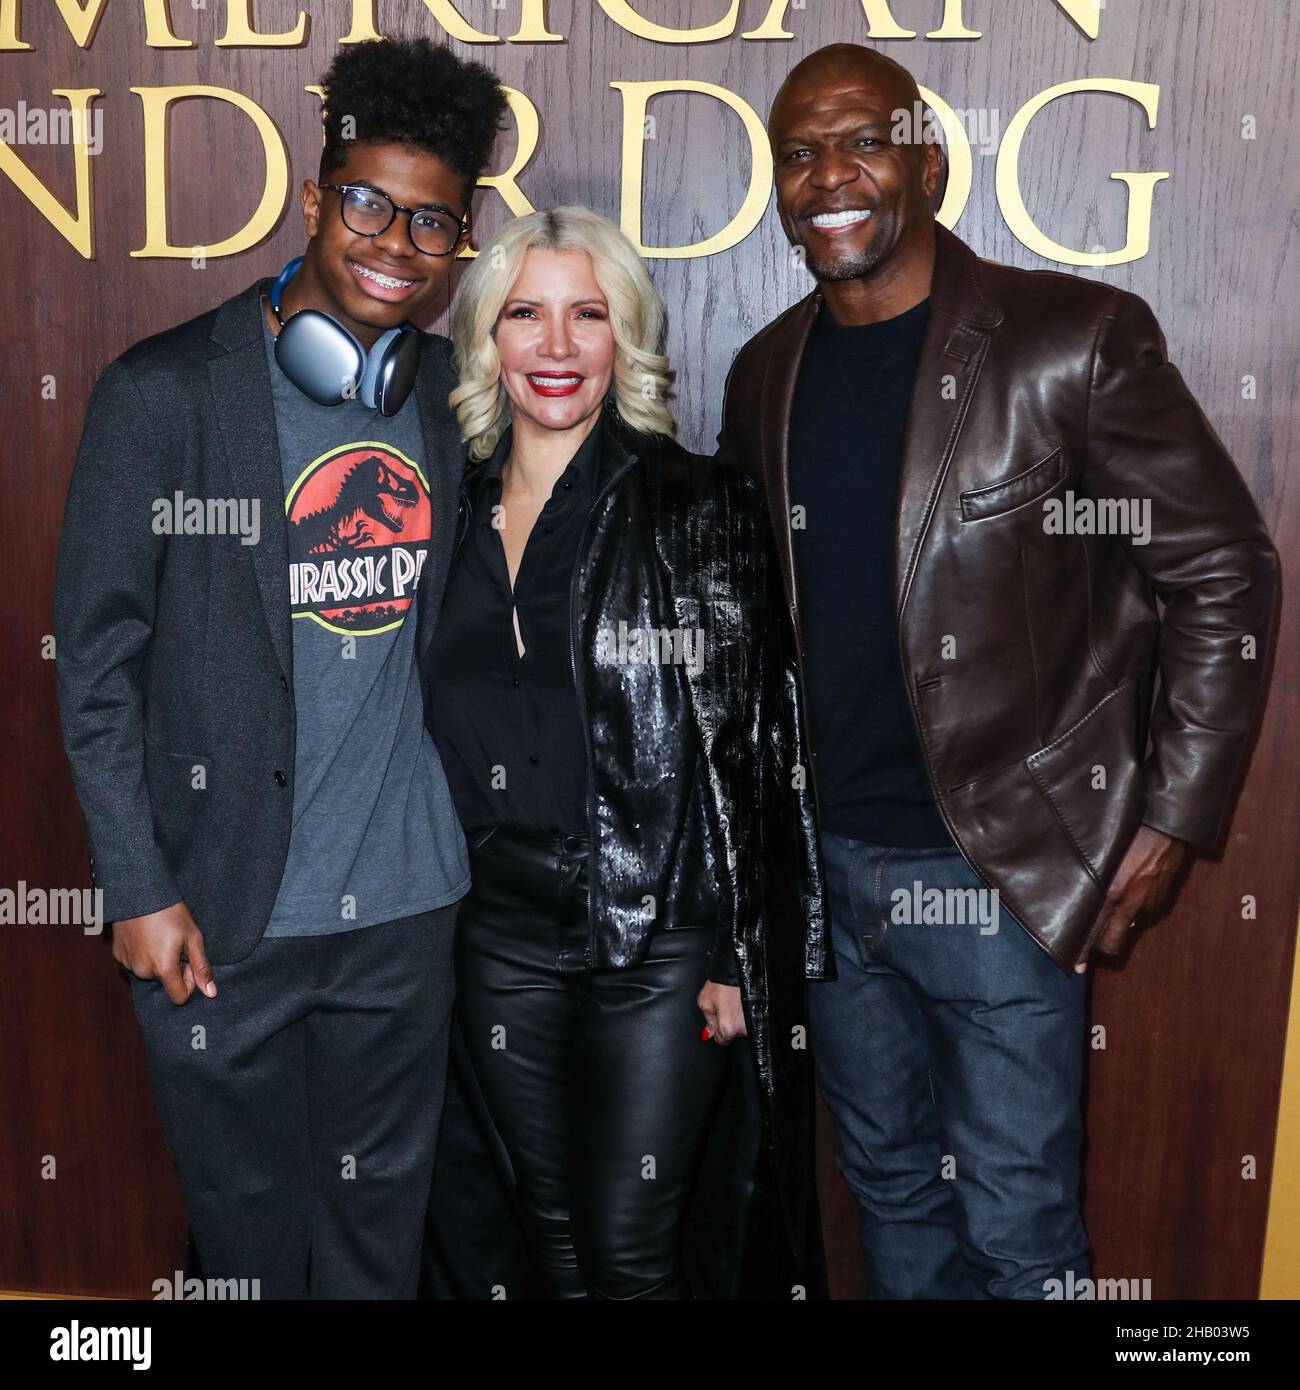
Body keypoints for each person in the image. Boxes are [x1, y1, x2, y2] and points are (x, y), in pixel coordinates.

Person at [719, 43, 1279, 1299]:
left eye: (862, 140)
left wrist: (1172, 817)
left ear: (927, 161)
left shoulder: (1069, 340)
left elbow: (1222, 570)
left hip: (1000, 874)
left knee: (1021, 1232)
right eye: (798, 153)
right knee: (890, 1195)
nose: (828, 175)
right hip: (826, 873)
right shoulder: (764, 375)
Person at [53, 37, 508, 1298]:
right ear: (313, 199)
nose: (395, 243)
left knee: (375, 1250)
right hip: (218, 916)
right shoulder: (162, 395)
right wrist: (136, 886)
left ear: (458, 242)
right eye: (367, 203)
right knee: (247, 1254)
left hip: (405, 912)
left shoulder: (440, 400)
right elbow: (95, 664)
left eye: (431, 221)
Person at [427, 204, 830, 1300]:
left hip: (658, 934)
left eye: (588, 316)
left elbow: (755, 742)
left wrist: (738, 953)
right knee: (550, 1238)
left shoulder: (696, 502)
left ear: (626, 338)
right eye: (526, 315)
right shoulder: (442, 506)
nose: (556, 346)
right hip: (494, 928)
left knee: (630, 1251)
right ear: (487, 337)